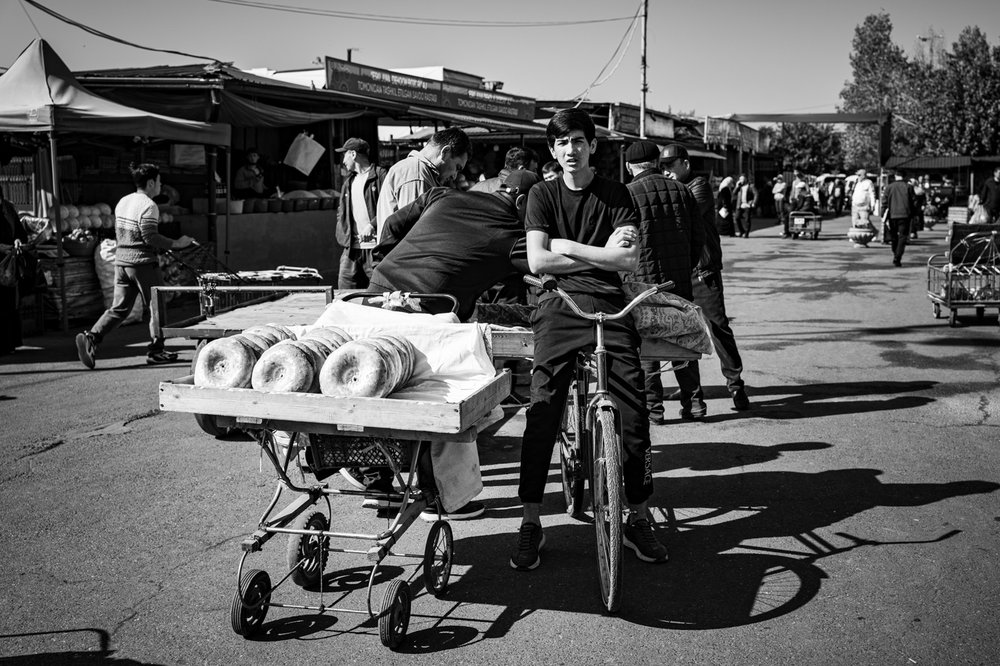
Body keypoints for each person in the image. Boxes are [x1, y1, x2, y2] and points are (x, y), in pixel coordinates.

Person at [510, 108, 667, 570]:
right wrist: (601, 256)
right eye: (561, 144)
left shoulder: (618, 193)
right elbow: (538, 263)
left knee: (634, 413)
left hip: (611, 306)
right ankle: (531, 521)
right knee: (543, 409)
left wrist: (568, 247)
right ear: (552, 150)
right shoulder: (541, 194)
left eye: (577, 141)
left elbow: (628, 262)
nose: (570, 150)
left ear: (592, 145)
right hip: (558, 306)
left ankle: (638, 516)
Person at [372, 170, 541, 322]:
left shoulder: (441, 194)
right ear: (521, 202)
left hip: (377, 291)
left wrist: (380, 263)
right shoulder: (514, 234)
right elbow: (544, 263)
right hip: (427, 310)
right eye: (538, 209)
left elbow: (392, 223)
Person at [75, 163, 194, 369]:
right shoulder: (149, 205)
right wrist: (177, 244)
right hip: (142, 263)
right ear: (150, 183)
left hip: (121, 263)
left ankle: (92, 337)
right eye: (159, 181)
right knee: (157, 307)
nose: (161, 185)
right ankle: (157, 351)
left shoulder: (123, 201)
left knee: (119, 308)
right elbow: (150, 236)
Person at [662, 144, 751, 416]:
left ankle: (735, 384)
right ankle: (693, 394)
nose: (667, 172)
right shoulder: (671, 188)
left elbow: (678, 217)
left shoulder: (698, 187)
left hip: (703, 272)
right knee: (682, 334)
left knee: (718, 328)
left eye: (671, 166)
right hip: (679, 273)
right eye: (663, 168)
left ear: (686, 164)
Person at [622, 140, 704, 424]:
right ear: (657, 162)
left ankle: (654, 410)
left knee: (646, 347)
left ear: (629, 166)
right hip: (678, 279)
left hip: (640, 284)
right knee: (683, 340)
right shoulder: (683, 191)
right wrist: (684, 266)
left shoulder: (627, 194)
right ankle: (694, 404)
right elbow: (697, 238)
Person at [375, 127, 471, 244]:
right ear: (445, 152)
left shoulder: (416, 170)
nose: (454, 176)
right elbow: (415, 233)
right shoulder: (417, 174)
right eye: (457, 167)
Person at [334, 138, 387, 289]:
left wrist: (372, 225)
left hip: (376, 250)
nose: (343, 160)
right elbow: (341, 211)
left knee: (379, 295)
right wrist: (343, 234)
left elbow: (391, 207)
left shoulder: (380, 176)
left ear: (352, 154)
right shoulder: (348, 183)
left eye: (344, 155)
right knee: (344, 296)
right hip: (350, 250)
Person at [1, 185, 29, 355]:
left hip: (9, 263)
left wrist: (18, 240)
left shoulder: (8, 208)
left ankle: (10, 343)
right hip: (2, 256)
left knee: (9, 303)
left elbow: (19, 231)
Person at [881, 170, 916, 267]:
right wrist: (913, 214)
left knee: (893, 236)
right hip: (905, 215)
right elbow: (914, 201)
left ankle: (895, 251)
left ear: (895, 176)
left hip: (893, 215)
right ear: (904, 176)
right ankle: (898, 256)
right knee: (903, 236)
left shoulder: (889, 187)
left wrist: (883, 213)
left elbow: (884, 202)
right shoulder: (908, 187)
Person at [470, 147, 538, 193]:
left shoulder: (478, 186)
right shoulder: (521, 193)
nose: (536, 174)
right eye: (534, 170)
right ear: (521, 169)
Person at [851, 169, 877, 236]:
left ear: (864, 175)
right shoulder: (857, 183)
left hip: (864, 206)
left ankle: (873, 233)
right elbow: (855, 193)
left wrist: (872, 205)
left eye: (859, 175)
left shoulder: (868, 182)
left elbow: (872, 194)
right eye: (857, 175)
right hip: (855, 205)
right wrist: (853, 203)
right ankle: (856, 235)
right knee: (855, 221)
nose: (858, 176)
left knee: (865, 222)